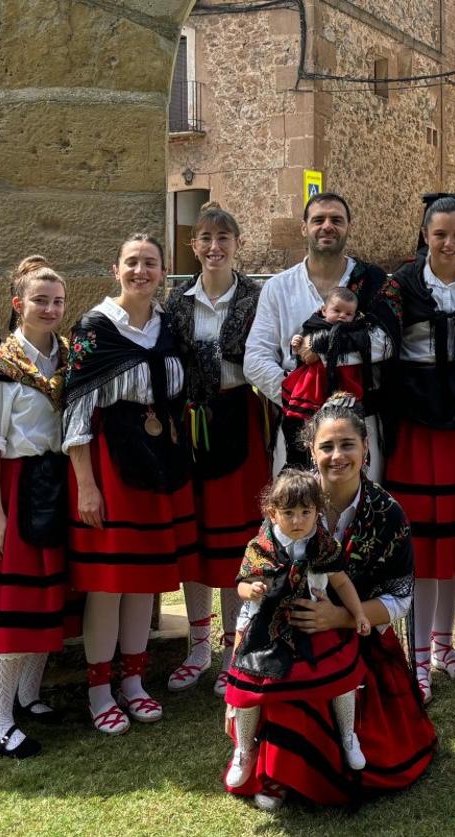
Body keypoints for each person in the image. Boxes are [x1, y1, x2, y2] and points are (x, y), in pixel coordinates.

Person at [224, 392, 435, 810]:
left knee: (376, 742)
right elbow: (256, 577)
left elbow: (401, 598)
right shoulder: (290, 503)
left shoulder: (389, 513)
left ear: (366, 447)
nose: (337, 456)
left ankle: (313, 764)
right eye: (326, 446)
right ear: (310, 451)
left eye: (347, 445)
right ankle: (274, 769)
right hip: (286, 632)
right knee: (280, 678)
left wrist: (338, 617)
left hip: (361, 636)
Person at [64, 234, 197, 734]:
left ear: (163, 272)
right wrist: (86, 485)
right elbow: (75, 409)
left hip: (157, 461)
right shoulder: (95, 328)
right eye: (132, 263)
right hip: (110, 464)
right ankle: (100, 690)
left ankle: (135, 683)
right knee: (107, 584)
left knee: (143, 581)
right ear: (115, 269)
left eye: (151, 263)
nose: (141, 271)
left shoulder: (168, 328)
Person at [383, 197, 455, 704]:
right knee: (424, 544)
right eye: (439, 234)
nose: (448, 243)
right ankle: (419, 660)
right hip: (417, 422)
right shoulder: (401, 285)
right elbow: (379, 345)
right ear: (425, 235)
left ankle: (445, 645)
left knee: (451, 542)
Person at [0, 257, 71, 758]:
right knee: (13, 603)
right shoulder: (0, 368)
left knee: (47, 594)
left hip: (54, 481)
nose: (50, 309)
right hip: (12, 481)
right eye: (39, 300)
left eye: (57, 301)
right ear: (17, 304)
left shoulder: (66, 357)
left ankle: (28, 697)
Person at [166, 203, 270, 696]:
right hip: (190, 424)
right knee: (199, 537)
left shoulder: (256, 296)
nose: (214, 247)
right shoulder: (176, 301)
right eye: (205, 238)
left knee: (235, 540)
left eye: (223, 238)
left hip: (240, 419)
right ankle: (198, 644)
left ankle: (235, 647)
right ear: (194, 245)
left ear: (237, 243)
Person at [224, 469, 371, 791]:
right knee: (248, 688)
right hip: (267, 626)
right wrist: (252, 589)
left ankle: (348, 735)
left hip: (313, 621)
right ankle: (244, 749)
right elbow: (242, 585)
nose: (297, 520)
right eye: (288, 513)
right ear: (272, 512)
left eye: (306, 512)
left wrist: (358, 613)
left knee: (341, 677)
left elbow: (341, 580)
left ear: (318, 511)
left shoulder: (322, 543)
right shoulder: (260, 545)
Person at [243, 193, 401, 473]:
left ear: (348, 227)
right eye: (318, 220)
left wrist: (322, 349)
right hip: (297, 423)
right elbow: (255, 358)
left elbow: (385, 343)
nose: (327, 226)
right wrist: (299, 397)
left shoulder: (372, 281)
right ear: (304, 227)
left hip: (360, 421)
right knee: (299, 510)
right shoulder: (278, 287)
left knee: (359, 511)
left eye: (336, 220)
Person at [280, 286, 373, 430]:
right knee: (312, 416)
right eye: (337, 311)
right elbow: (302, 349)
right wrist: (297, 342)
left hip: (345, 375)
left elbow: (362, 347)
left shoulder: (356, 330)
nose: (342, 316)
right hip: (315, 377)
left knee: (345, 414)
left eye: (348, 313)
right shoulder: (314, 324)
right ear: (324, 310)